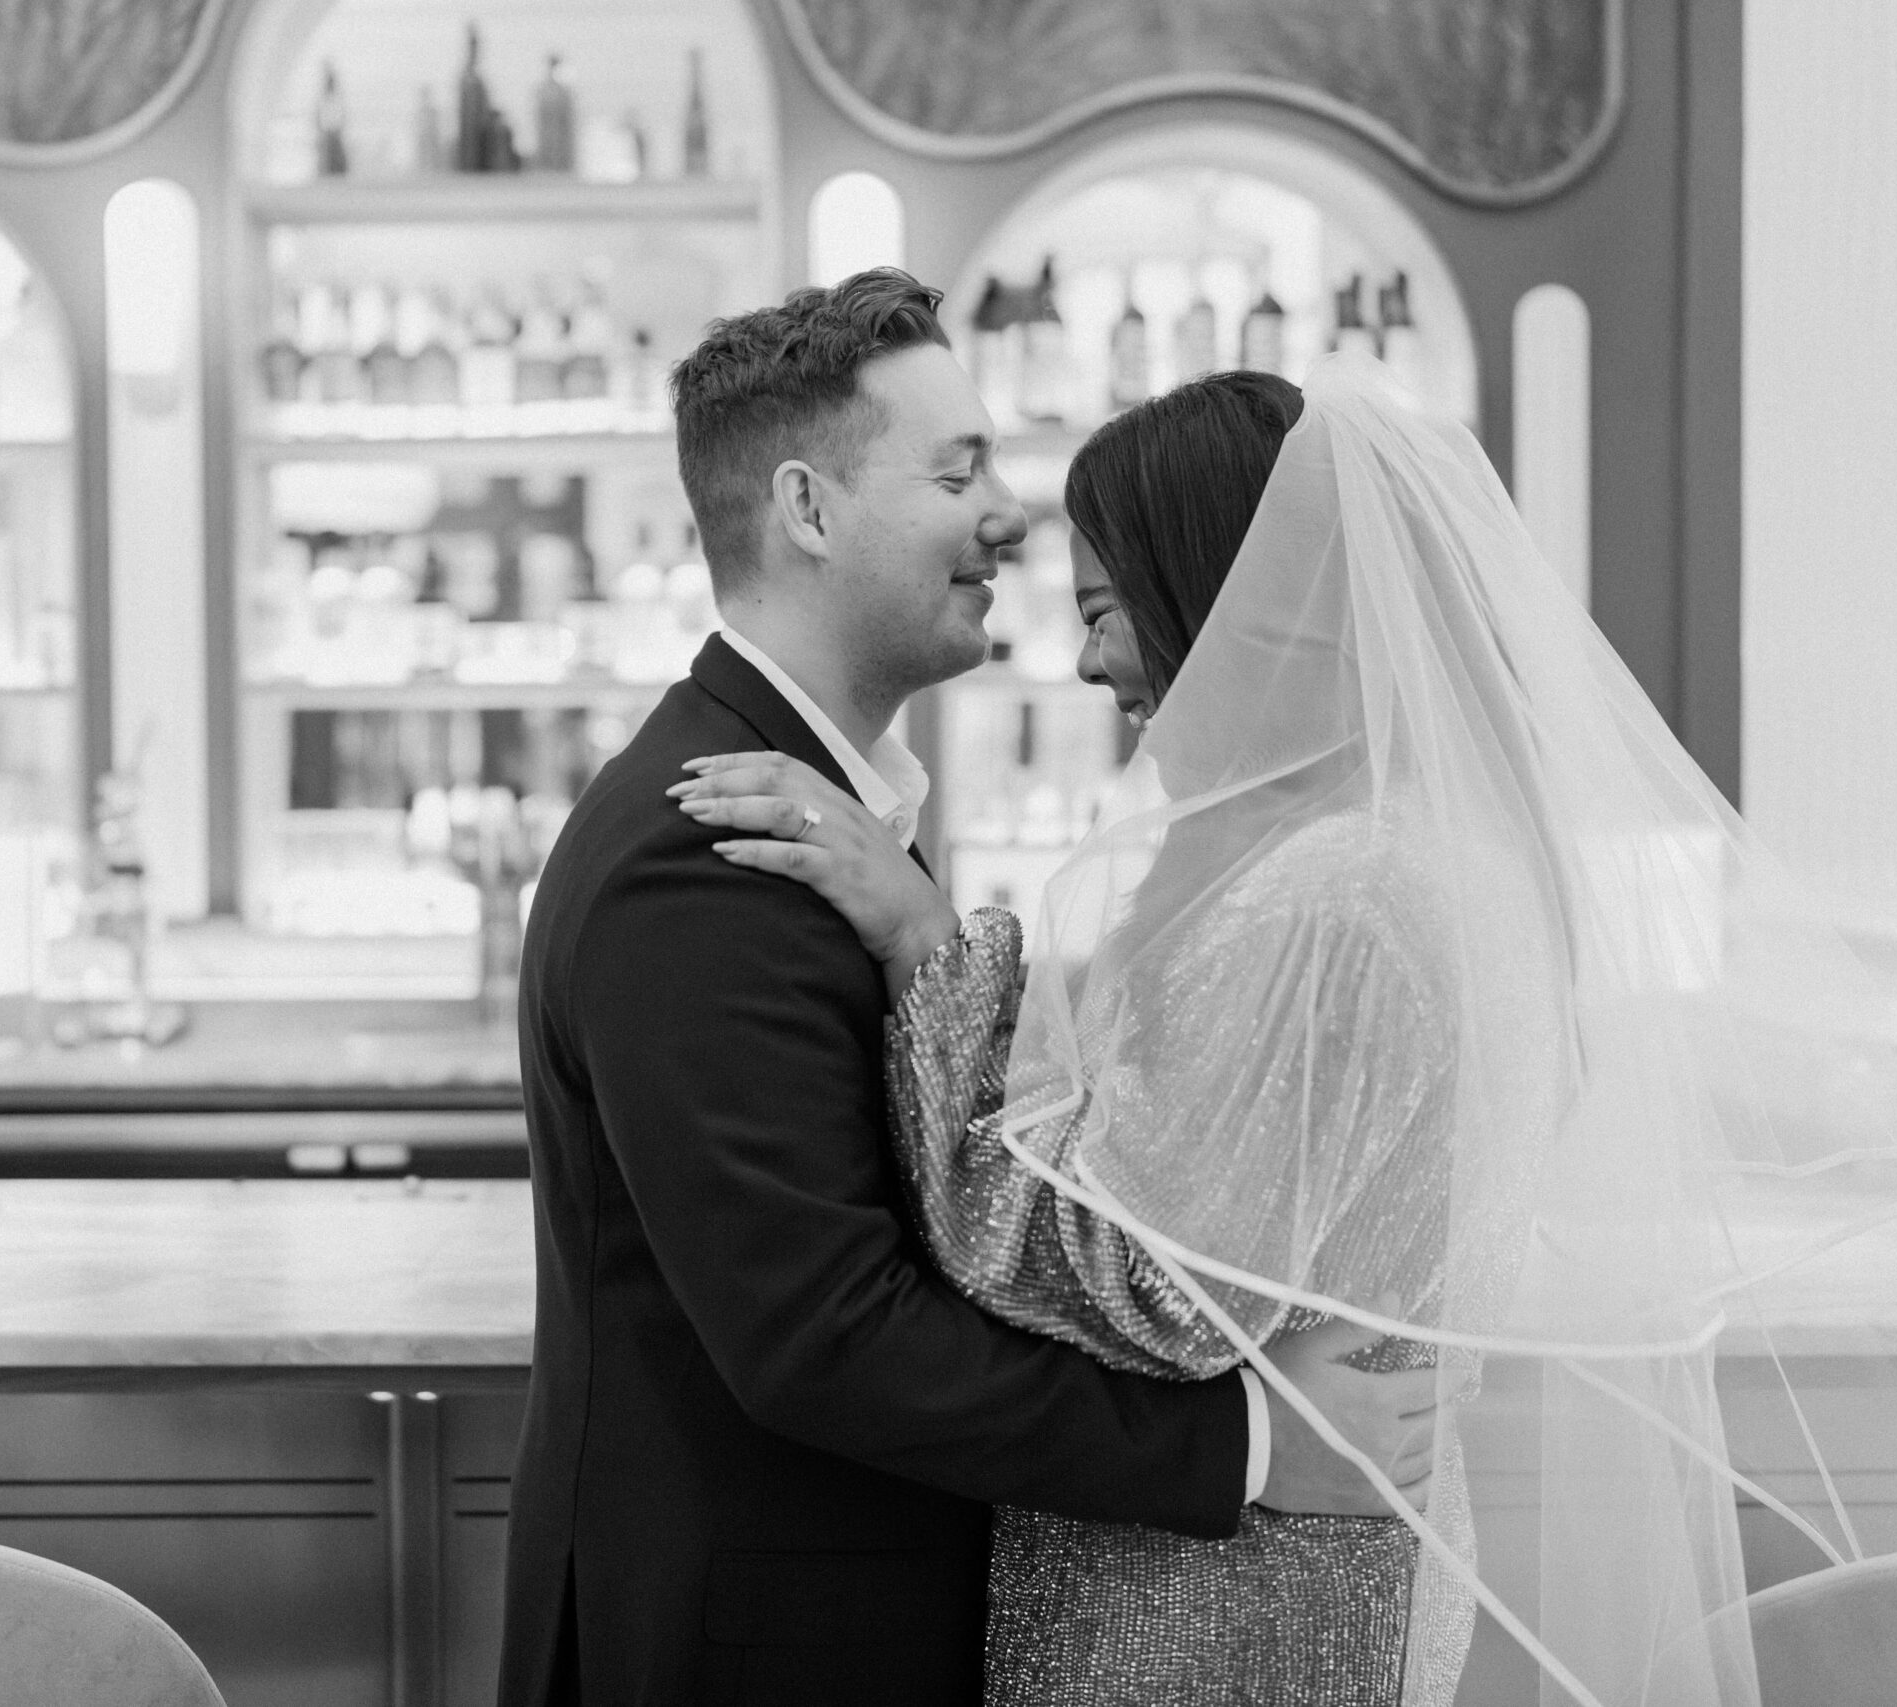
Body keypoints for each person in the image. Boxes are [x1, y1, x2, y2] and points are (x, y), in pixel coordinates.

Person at [501, 273, 1437, 1707]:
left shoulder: (831, 816)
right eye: (959, 471)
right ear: (809, 511)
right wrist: (1248, 1448)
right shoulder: (709, 846)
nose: (1011, 516)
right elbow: (827, 1337)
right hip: (762, 1651)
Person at [675, 364, 1534, 1704]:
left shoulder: (1330, 899)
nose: (1089, 660)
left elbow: (1135, 1280)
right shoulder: (1319, 864)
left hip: (1213, 1609)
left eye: (1106, 607)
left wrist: (927, 946)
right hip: (1222, 1573)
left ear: (1230, 600)